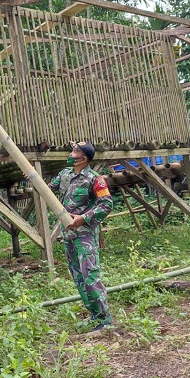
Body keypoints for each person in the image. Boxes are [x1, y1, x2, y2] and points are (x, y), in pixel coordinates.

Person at [49, 141, 114, 332]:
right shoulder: (64, 174)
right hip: (68, 234)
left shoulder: (94, 179)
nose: (70, 154)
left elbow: (106, 204)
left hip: (84, 234)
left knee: (89, 275)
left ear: (83, 158)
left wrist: (83, 218)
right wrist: (32, 179)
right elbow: (48, 189)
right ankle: (95, 315)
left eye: (74, 151)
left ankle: (105, 318)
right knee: (78, 277)